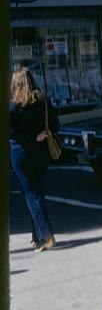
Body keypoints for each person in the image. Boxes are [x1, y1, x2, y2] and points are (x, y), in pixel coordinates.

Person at [9, 67, 60, 252]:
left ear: (16, 84)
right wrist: (42, 135)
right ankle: (36, 236)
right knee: (37, 194)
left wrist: (30, 138)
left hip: (20, 154)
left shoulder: (13, 106)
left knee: (31, 195)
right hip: (41, 153)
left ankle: (46, 235)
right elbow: (56, 125)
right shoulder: (43, 101)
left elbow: (11, 133)